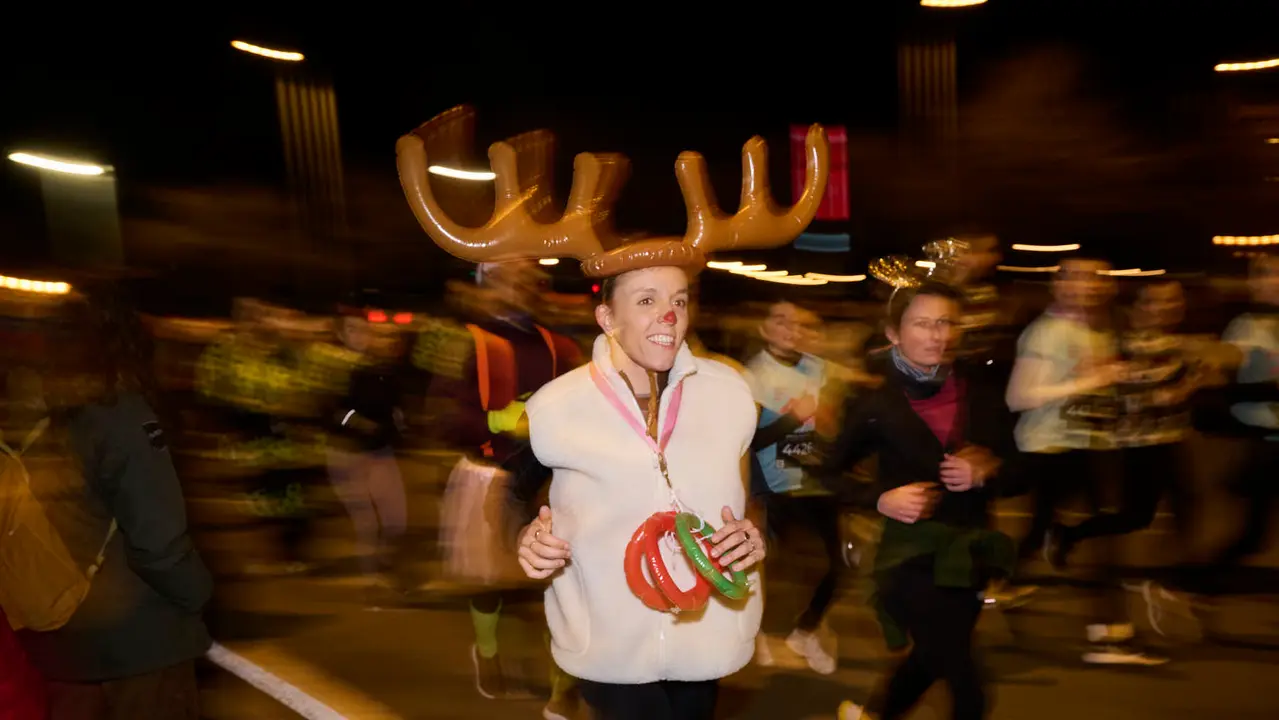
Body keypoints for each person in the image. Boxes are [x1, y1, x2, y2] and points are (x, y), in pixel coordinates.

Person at [396, 104, 829, 720]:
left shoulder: (728, 392)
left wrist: (751, 536)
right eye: (647, 300)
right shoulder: (558, 405)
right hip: (607, 638)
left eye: (678, 300)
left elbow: (752, 488)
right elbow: (517, 489)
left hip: (706, 632)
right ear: (608, 317)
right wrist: (531, 542)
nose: (668, 316)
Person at [19, 286, 213, 720]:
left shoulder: (47, 415)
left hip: (59, 638)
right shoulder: (123, 415)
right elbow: (157, 541)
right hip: (138, 642)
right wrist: (198, 595)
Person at [829, 282, 1019, 720]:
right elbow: (825, 474)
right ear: (893, 333)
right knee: (967, 687)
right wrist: (880, 499)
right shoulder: (873, 401)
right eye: (922, 323)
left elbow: (1020, 472)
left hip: (970, 552)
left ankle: (876, 715)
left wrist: (987, 470)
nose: (937, 334)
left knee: (931, 658)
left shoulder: (982, 395)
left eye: (945, 322)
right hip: (907, 555)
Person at [744, 300, 843, 674]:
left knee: (837, 567)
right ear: (765, 329)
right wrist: (792, 419)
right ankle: (759, 635)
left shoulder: (816, 368)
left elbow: (830, 419)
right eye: (780, 320)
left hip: (817, 480)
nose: (791, 329)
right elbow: (751, 438)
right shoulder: (755, 375)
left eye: (799, 323)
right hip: (778, 484)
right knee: (785, 567)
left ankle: (805, 630)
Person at [325, 300, 409, 605]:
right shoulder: (334, 366)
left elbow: (394, 406)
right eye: (352, 330)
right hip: (348, 453)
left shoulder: (379, 368)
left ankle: (383, 570)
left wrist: (398, 421)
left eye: (364, 330)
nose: (360, 336)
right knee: (367, 522)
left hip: (381, 452)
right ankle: (374, 581)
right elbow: (332, 411)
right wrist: (360, 424)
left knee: (395, 519)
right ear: (341, 334)